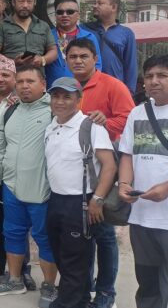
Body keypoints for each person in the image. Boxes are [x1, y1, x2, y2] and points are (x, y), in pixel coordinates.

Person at [118, 54, 168, 308]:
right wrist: (124, 183)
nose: (153, 81)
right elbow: (127, 154)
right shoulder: (137, 113)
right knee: (148, 288)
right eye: (149, 76)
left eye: (162, 75)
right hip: (142, 218)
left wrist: (167, 188)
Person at [65, 37, 134, 308]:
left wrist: (108, 122)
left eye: (84, 56)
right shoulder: (65, 86)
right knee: (83, 235)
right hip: (74, 176)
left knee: (104, 235)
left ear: (95, 59)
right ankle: (86, 286)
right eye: (73, 56)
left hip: (103, 173)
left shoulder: (112, 85)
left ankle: (106, 293)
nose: (78, 61)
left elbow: (130, 120)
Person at [0, 65, 58, 307]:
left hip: (42, 189)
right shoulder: (10, 110)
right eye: (21, 82)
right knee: (13, 233)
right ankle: (15, 280)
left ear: (43, 84)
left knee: (44, 238)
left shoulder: (54, 111)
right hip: (11, 186)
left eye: (30, 81)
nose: (25, 86)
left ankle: (49, 287)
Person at [44, 76, 118, 308]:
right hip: (56, 199)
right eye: (56, 96)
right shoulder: (51, 126)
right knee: (61, 254)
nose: (60, 101)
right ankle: (82, 299)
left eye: (67, 97)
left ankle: (69, 303)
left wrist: (97, 199)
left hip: (81, 201)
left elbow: (109, 165)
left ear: (79, 99)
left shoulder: (90, 126)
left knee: (75, 259)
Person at [0, 0, 57, 68]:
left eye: (29, 1)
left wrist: (43, 59)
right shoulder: (1, 26)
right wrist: (12, 63)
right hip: (11, 75)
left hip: (37, 75)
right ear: (13, 2)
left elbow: (53, 51)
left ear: (34, 2)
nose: (25, 5)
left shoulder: (43, 26)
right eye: (21, 1)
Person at [83, 0, 138, 92]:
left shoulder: (126, 33)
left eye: (100, 3)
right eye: (95, 3)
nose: (95, 6)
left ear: (113, 7)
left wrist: (129, 92)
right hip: (87, 88)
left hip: (115, 89)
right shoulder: (84, 29)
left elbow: (131, 65)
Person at [45, 0, 102, 85]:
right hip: (54, 89)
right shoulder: (47, 36)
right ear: (55, 15)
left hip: (82, 88)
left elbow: (97, 65)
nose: (64, 15)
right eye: (60, 12)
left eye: (70, 12)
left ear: (78, 15)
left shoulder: (89, 37)